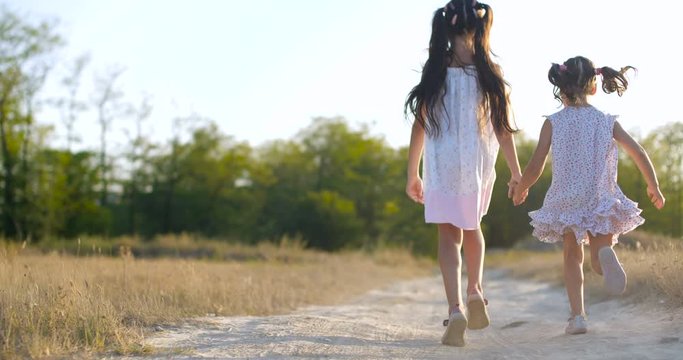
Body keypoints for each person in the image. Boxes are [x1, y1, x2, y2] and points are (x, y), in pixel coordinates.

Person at [511, 56, 665, 335]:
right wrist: (653, 185)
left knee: (572, 257)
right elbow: (638, 151)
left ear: (560, 88)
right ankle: (605, 254)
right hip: (600, 197)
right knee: (598, 259)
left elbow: (536, 164)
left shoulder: (553, 123)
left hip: (567, 200)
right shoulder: (605, 121)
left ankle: (577, 317)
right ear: (594, 87)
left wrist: (523, 186)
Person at [404, 0, 522, 347]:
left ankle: (455, 309)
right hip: (476, 164)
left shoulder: (436, 70)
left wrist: (413, 172)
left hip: (443, 165)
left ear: (445, 27)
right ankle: (476, 290)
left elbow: (420, 125)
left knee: (448, 238)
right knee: (473, 229)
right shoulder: (489, 72)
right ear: (479, 28)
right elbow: (503, 129)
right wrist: (516, 172)